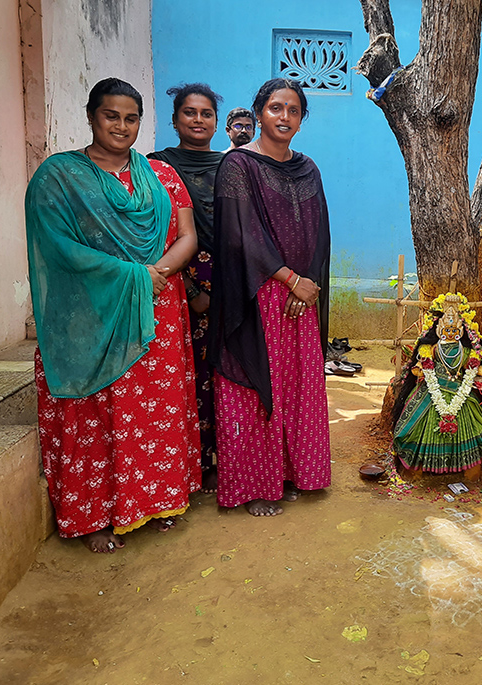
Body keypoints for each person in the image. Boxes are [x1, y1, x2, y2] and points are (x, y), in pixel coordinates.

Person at [27, 77, 200, 553]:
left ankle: (158, 499)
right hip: (91, 315)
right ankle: (94, 515)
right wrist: (132, 275)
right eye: (111, 116)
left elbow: (187, 235)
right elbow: (56, 246)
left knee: (154, 412)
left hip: (157, 307)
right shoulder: (60, 176)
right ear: (91, 116)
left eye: (131, 118)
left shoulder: (161, 175)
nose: (121, 127)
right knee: (97, 413)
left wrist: (154, 273)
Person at [209, 78, 331, 517]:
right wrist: (287, 279)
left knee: (296, 385)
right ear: (259, 112)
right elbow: (240, 235)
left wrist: (308, 283)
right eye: (276, 107)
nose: (284, 116)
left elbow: (319, 234)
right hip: (255, 296)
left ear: (301, 119)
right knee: (257, 388)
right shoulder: (239, 165)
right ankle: (256, 485)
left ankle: (292, 472)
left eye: (293, 110)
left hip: (300, 297)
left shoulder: (309, 168)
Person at [150, 83, 224, 493]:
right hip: (174, 278)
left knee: (222, 371)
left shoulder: (232, 166)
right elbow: (153, 232)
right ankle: (186, 462)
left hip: (229, 280)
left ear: (216, 120)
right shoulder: (155, 166)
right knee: (185, 371)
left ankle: (218, 460)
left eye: (206, 113)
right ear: (175, 118)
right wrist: (192, 286)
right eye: (190, 113)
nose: (198, 120)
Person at [391, 293, 482, 475]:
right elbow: (419, 365)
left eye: (454, 331)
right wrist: (421, 367)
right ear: (440, 330)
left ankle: (469, 471)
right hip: (432, 391)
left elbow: (474, 366)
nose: (450, 333)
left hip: (460, 392)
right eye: (447, 330)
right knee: (417, 425)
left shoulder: (465, 351)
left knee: (470, 425)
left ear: (461, 332)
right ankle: (418, 470)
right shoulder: (432, 348)